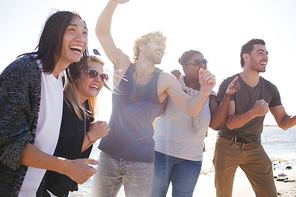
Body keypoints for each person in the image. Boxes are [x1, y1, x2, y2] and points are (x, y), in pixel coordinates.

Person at [91, 1, 216, 196]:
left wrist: (205, 91)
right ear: (141, 45)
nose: (162, 48)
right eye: (157, 43)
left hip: (142, 162)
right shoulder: (123, 64)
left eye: (164, 47)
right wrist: (113, 3)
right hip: (109, 154)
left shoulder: (165, 79)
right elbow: (102, 33)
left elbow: (191, 108)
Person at [0, 11, 98, 197]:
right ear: (54, 34)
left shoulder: (59, 80)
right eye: (72, 30)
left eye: (85, 33)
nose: (81, 38)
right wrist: (67, 167)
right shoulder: (24, 71)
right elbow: (8, 145)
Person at [213, 38, 296, 197]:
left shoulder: (270, 88)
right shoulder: (230, 83)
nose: (265, 57)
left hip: (254, 146)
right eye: (260, 53)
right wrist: (253, 112)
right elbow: (230, 123)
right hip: (227, 144)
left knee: (269, 194)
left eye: (266, 54)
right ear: (246, 57)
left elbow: (284, 123)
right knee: (223, 194)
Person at [152, 50, 240, 197]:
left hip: (191, 158)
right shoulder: (172, 84)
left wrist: (227, 96)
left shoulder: (209, 93)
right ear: (184, 67)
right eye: (197, 63)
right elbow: (157, 111)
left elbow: (216, 125)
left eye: (205, 62)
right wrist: (167, 87)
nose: (203, 65)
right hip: (162, 153)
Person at [42, 56, 110, 197]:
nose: (99, 80)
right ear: (75, 75)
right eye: (93, 73)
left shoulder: (88, 114)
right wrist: (91, 137)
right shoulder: (61, 106)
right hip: (44, 187)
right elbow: (57, 156)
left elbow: (74, 158)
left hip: (61, 188)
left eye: (103, 76)